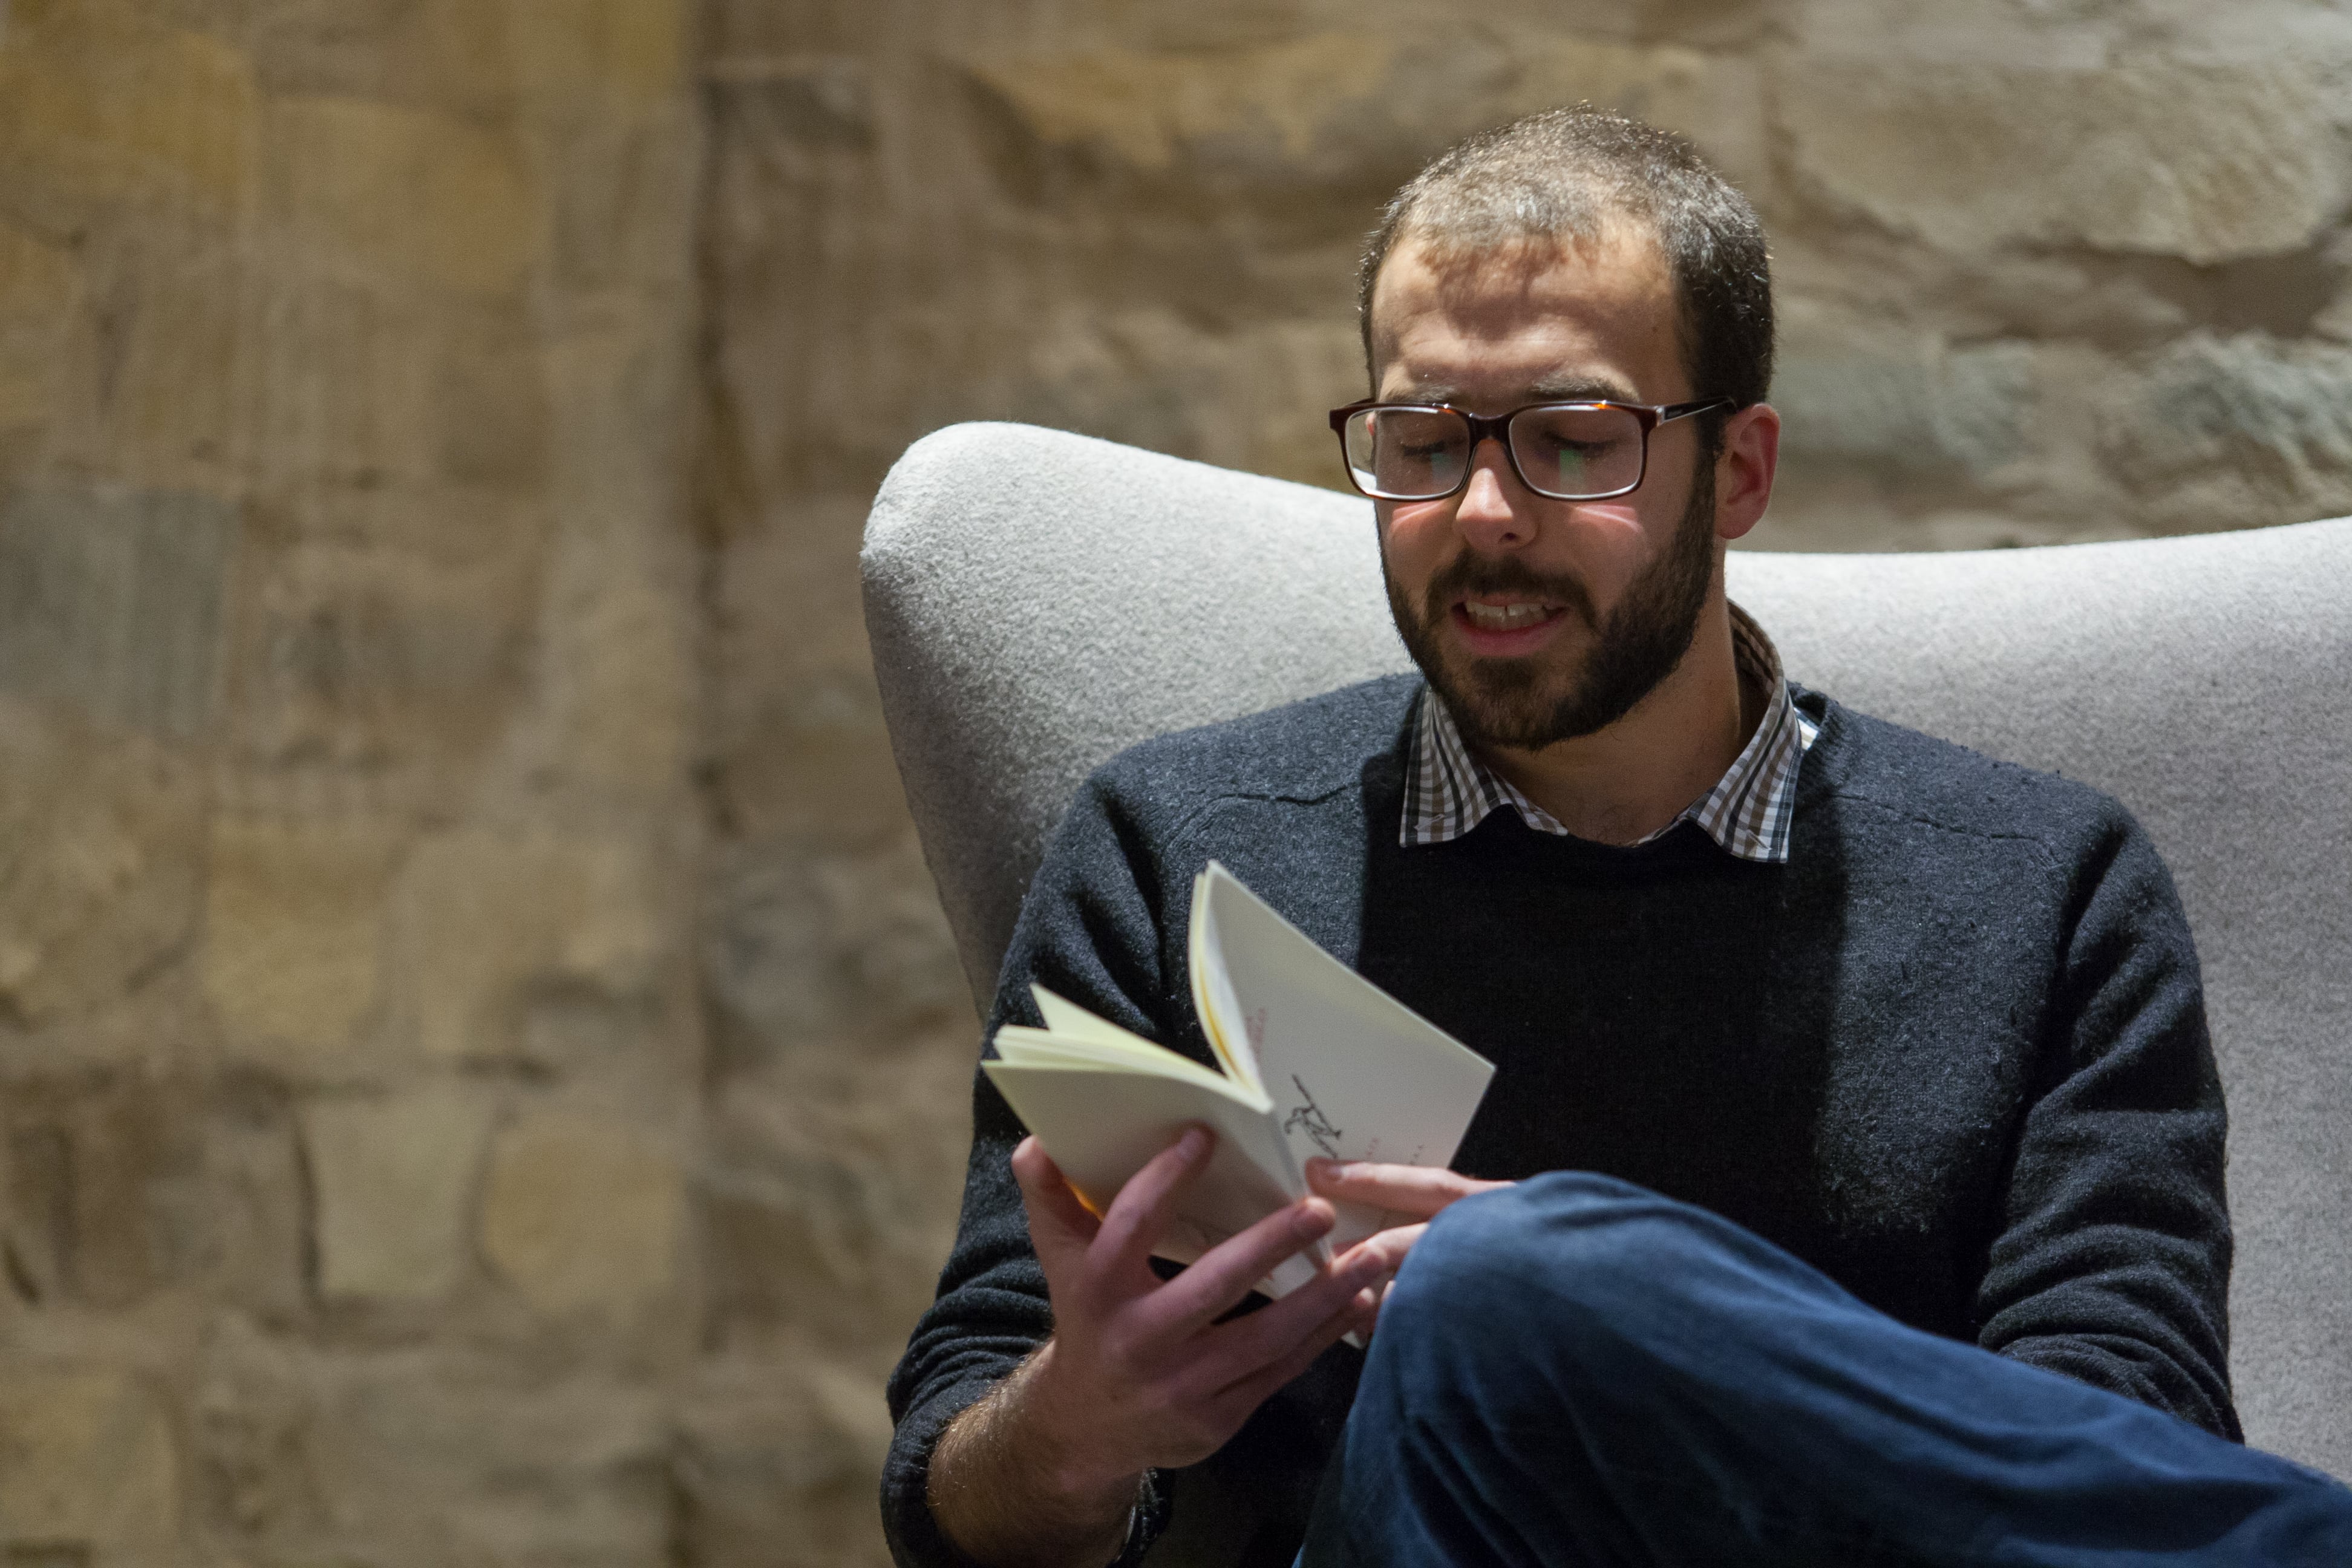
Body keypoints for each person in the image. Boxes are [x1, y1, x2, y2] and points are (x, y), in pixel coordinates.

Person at [880, 108, 2352, 1567]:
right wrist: (1082, 1426)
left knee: (1510, 1285)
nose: (1483, 512)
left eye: (1575, 443)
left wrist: (1584, 1313)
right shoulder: (1177, 849)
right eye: (1418, 441)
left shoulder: (2048, 892)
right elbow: (955, 1499)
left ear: (1742, 473)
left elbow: (2125, 1463)